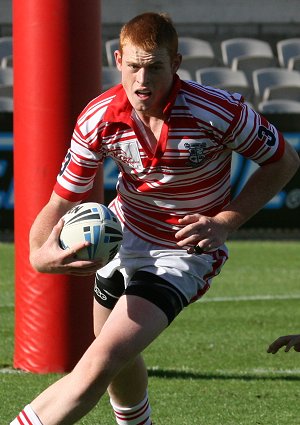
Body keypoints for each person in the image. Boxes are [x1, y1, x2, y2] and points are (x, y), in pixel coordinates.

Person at [11, 11, 299, 425]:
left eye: (154, 68)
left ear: (176, 63)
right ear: (117, 60)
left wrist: (225, 222)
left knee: (96, 365)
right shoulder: (98, 118)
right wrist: (39, 257)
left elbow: (283, 161)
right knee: (116, 358)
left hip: (180, 255)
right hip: (120, 237)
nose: (141, 81)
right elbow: (60, 201)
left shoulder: (218, 110)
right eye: (133, 67)